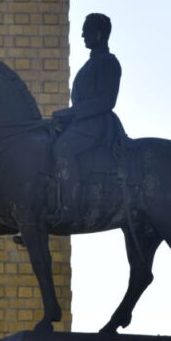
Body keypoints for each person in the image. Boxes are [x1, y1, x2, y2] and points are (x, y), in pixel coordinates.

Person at [51, 12, 123, 222]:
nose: (82, 34)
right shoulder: (90, 64)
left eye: (87, 30)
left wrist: (71, 112)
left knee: (62, 149)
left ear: (99, 34)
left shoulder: (109, 62)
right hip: (81, 123)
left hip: (96, 124)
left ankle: (69, 210)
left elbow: (106, 101)